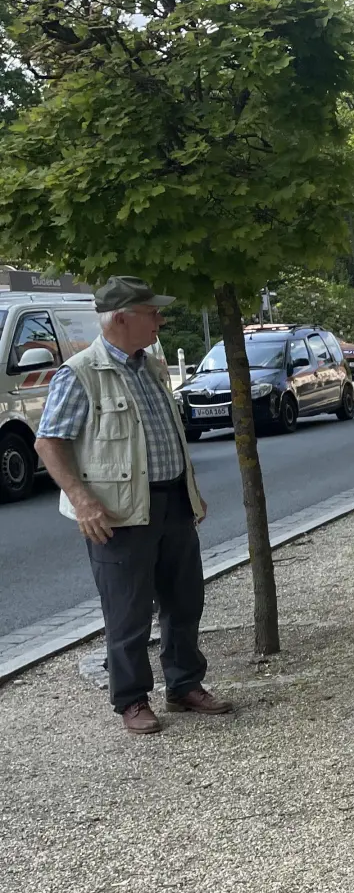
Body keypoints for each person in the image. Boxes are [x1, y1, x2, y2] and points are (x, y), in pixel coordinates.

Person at [34, 277, 231, 735]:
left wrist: (191, 491)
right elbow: (48, 444)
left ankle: (184, 685)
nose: (160, 320)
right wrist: (83, 502)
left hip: (172, 503)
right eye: (152, 313)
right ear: (121, 317)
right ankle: (131, 700)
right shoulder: (81, 373)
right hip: (118, 514)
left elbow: (168, 440)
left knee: (185, 602)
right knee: (128, 612)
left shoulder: (153, 367)